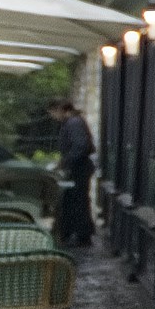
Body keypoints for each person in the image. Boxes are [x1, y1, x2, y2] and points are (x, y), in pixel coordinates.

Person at [53, 99, 98, 248]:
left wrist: (66, 161)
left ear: (60, 109)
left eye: (53, 113)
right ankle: (79, 233)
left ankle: (81, 234)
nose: (54, 117)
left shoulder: (73, 123)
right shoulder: (75, 122)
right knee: (77, 199)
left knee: (77, 200)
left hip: (78, 167)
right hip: (79, 166)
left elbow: (80, 146)